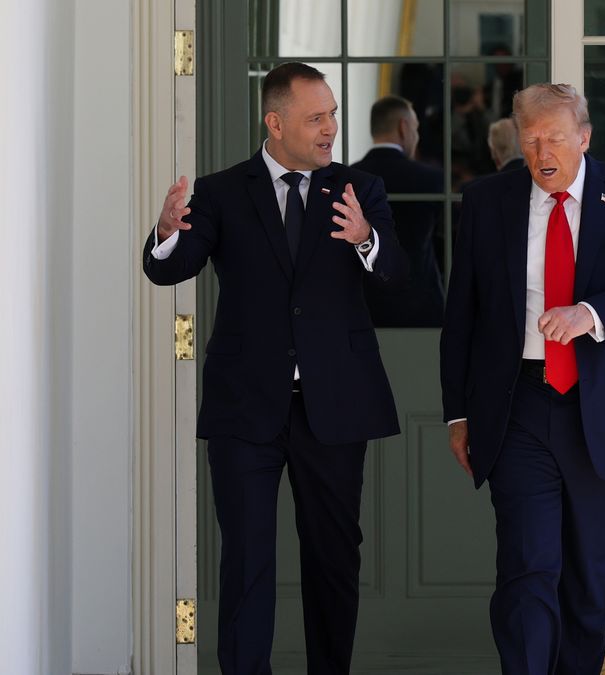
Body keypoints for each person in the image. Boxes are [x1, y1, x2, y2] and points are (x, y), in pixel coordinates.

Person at [142, 62, 406, 675]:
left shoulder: (359, 189)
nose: (330, 129)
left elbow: (398, 277)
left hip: (335, 406)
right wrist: (162, 232)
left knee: (333, 559)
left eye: (334, 114)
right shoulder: (219, 192)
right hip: (245, 407)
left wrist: (367, 239)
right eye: (316, 118)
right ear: (275, 122)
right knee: (247, 560)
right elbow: (169, 268)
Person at [440, 83, 605, 675]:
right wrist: (458, 412)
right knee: (527, 566)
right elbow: (462, 315)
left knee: (585, 574)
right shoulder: (487, 200)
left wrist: (591, 314)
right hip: (518, 405)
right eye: (530, 138)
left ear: (584, 138)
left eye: (554, 137)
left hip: (598, 407)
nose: (542, 150)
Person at [353, 95, 445, 327]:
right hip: (419, 306)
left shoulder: (349, 179)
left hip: (363, 306)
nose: (418, 136)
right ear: (403, 128)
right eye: (416, 128)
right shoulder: (431, 179)